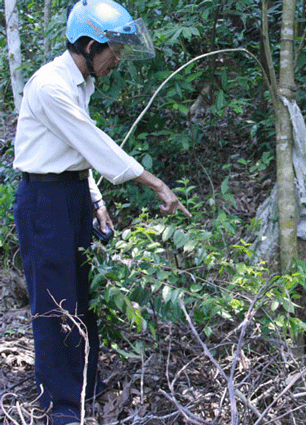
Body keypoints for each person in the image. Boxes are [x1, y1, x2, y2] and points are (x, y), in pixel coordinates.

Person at [12, 1, 191, 424]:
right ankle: (61, 407)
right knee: (56, 301)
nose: (117, 61)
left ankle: (85, 384)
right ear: (90, 45)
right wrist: (155, 182)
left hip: (70, 195)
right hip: (44, 201)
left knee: (81, 293)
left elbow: (75, 150)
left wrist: (94, 199)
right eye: (114, 51)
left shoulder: (79, 83)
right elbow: (91, 141)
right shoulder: (51, 86)